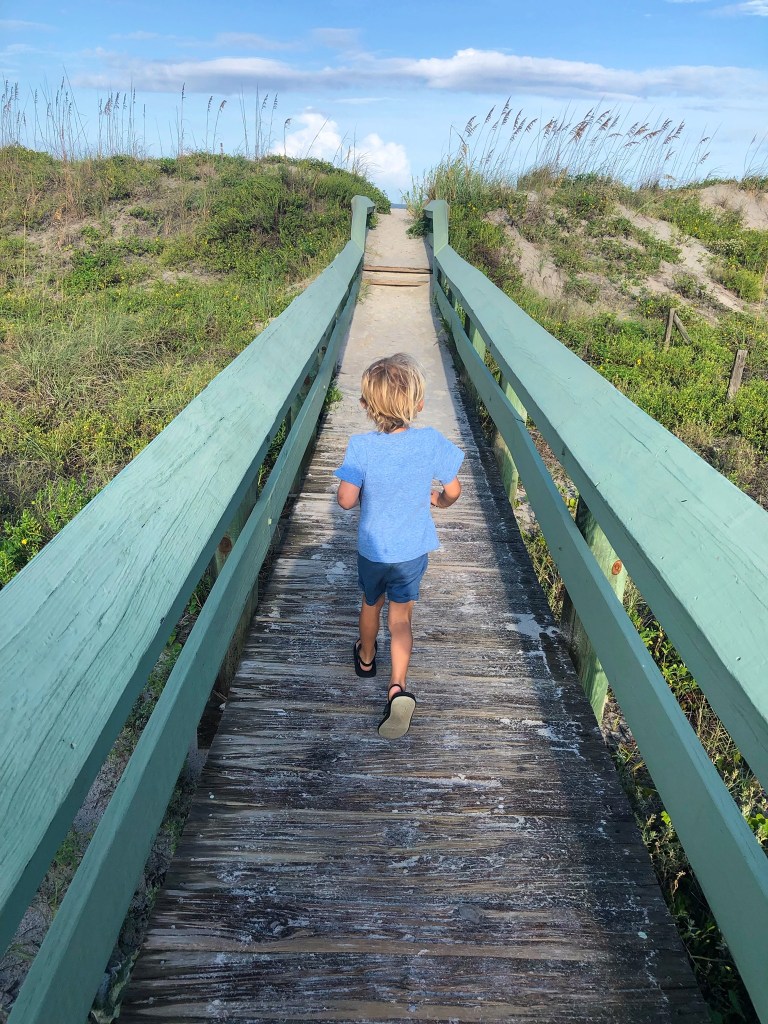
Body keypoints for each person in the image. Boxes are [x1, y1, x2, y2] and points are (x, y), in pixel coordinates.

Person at [335, 353, 464, 739]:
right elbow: (453, 490)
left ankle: (366, 658)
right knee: (402, 619)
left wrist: (359, 491)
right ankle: (397, 688)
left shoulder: (361, 446)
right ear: (419, 403)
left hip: (374, 551)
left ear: (366, 406)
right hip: (411, 551)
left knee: (370, 603)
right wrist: (439, 501)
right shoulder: (430, 441)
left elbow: (345, 499)